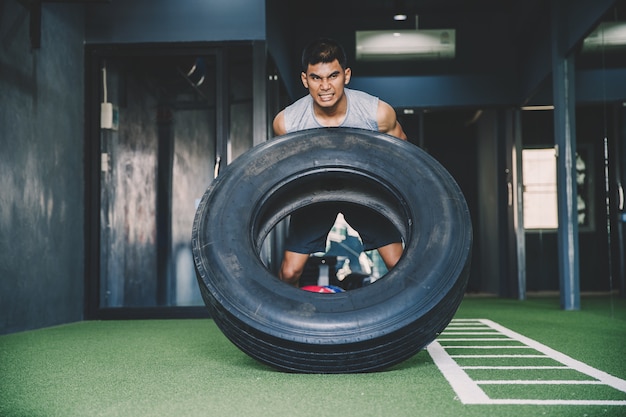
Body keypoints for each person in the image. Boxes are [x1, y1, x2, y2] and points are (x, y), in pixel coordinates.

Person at [272, 37, 408, 287]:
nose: (325, 86)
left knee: (399, 263)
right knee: (290, 272)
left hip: (365, 189)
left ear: (346, 75)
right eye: (316, 78)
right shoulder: (288, 122)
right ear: (305, 80)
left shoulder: (376, 113)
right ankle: (287, 325)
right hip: (315, 192)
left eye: (332, 76)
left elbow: (403, 157)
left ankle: (410, 324)